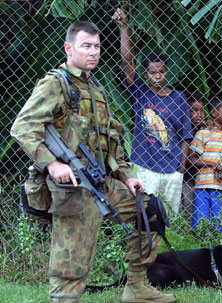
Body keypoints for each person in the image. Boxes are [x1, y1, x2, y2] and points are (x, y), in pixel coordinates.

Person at [10, 21, 176, 303]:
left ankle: (136, 287)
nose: (93, 52)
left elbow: (111, 140)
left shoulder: (96, 89)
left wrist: (127, 176)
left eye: (97, 46)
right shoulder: (55, 84)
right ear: (69, 48)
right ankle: (63, 299)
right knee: (72, 261)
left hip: (101, 182)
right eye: (86, 46)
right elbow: (23, 127)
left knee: (150, 211)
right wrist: (53, 164)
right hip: (72, 187)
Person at [113, 9, 193, 215]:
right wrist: (124, 27)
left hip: (172, 168)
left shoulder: (179, 98)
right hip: (146, 167)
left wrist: (181, 167)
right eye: (152, 72)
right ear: (146, 74)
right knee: (146, 215)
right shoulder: (141, 93)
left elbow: (185, 135)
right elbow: (127, 62)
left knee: (170, 219)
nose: (157, 76)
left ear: (167, 71)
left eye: (161, 71)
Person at [189, 92, 222, 232]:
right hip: (202, 186)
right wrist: (212, 164)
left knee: (221, 226)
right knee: (201, 225)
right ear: (214, 113)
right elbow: (191, 159)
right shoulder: (203, 133)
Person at [181, 92, 207, 219]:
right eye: (194, 110)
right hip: (186, 177)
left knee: (192, 210)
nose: (199, 115)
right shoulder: (183, 130)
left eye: (202, 110)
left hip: (199, 179)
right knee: (186, 207)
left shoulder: (204, 131)